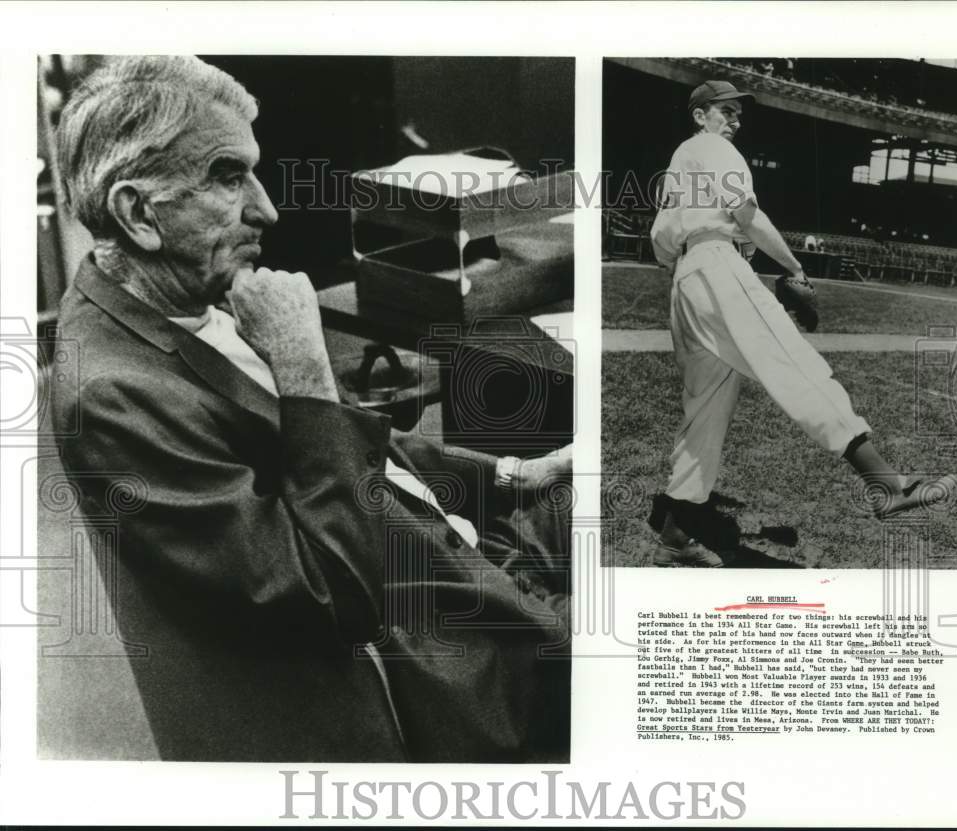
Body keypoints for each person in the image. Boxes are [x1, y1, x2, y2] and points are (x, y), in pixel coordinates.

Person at [51, 55, 571, 761]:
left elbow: (356, 455)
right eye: (229, 176)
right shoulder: (115, 394)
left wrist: (509, 475)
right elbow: (331, 593)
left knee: (584, 485)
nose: (267, 208)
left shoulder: (177, 296)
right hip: (461, 663)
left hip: (459, 554)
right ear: (139, 213)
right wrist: (303, 367)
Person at [648, 79, 954, 568]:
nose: (735, 120)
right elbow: (746, 214)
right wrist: (793, 267)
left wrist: (702, 253)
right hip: (717, 266)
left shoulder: (676, 166)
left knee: (704, 407)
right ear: (700, 114)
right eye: (725, 111)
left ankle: (674, 535)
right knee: (796, 364)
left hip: (685, 282)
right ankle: (886, 485)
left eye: (737, 114)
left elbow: (660, 244)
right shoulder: (712, 146)